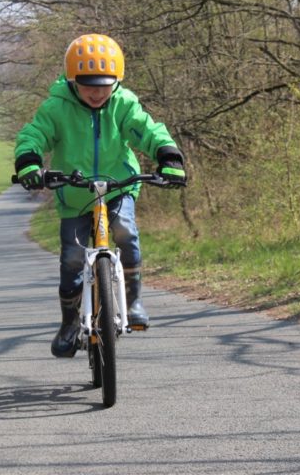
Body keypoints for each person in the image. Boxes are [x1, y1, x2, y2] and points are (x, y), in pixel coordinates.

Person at [14, 33, 187, 358]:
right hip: (75, 192)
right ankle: (68, 324)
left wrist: (168, 155)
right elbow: (34, 134)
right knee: (72, 259)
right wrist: (29, 162)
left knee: (124, 231)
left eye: (104, 84)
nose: (96, 91)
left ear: (117, 81)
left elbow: (147, 130)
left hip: (118, 185)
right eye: (88, 84)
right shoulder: (57, 108)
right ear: (72, 80)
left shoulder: (124, 105)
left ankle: (133, 301)